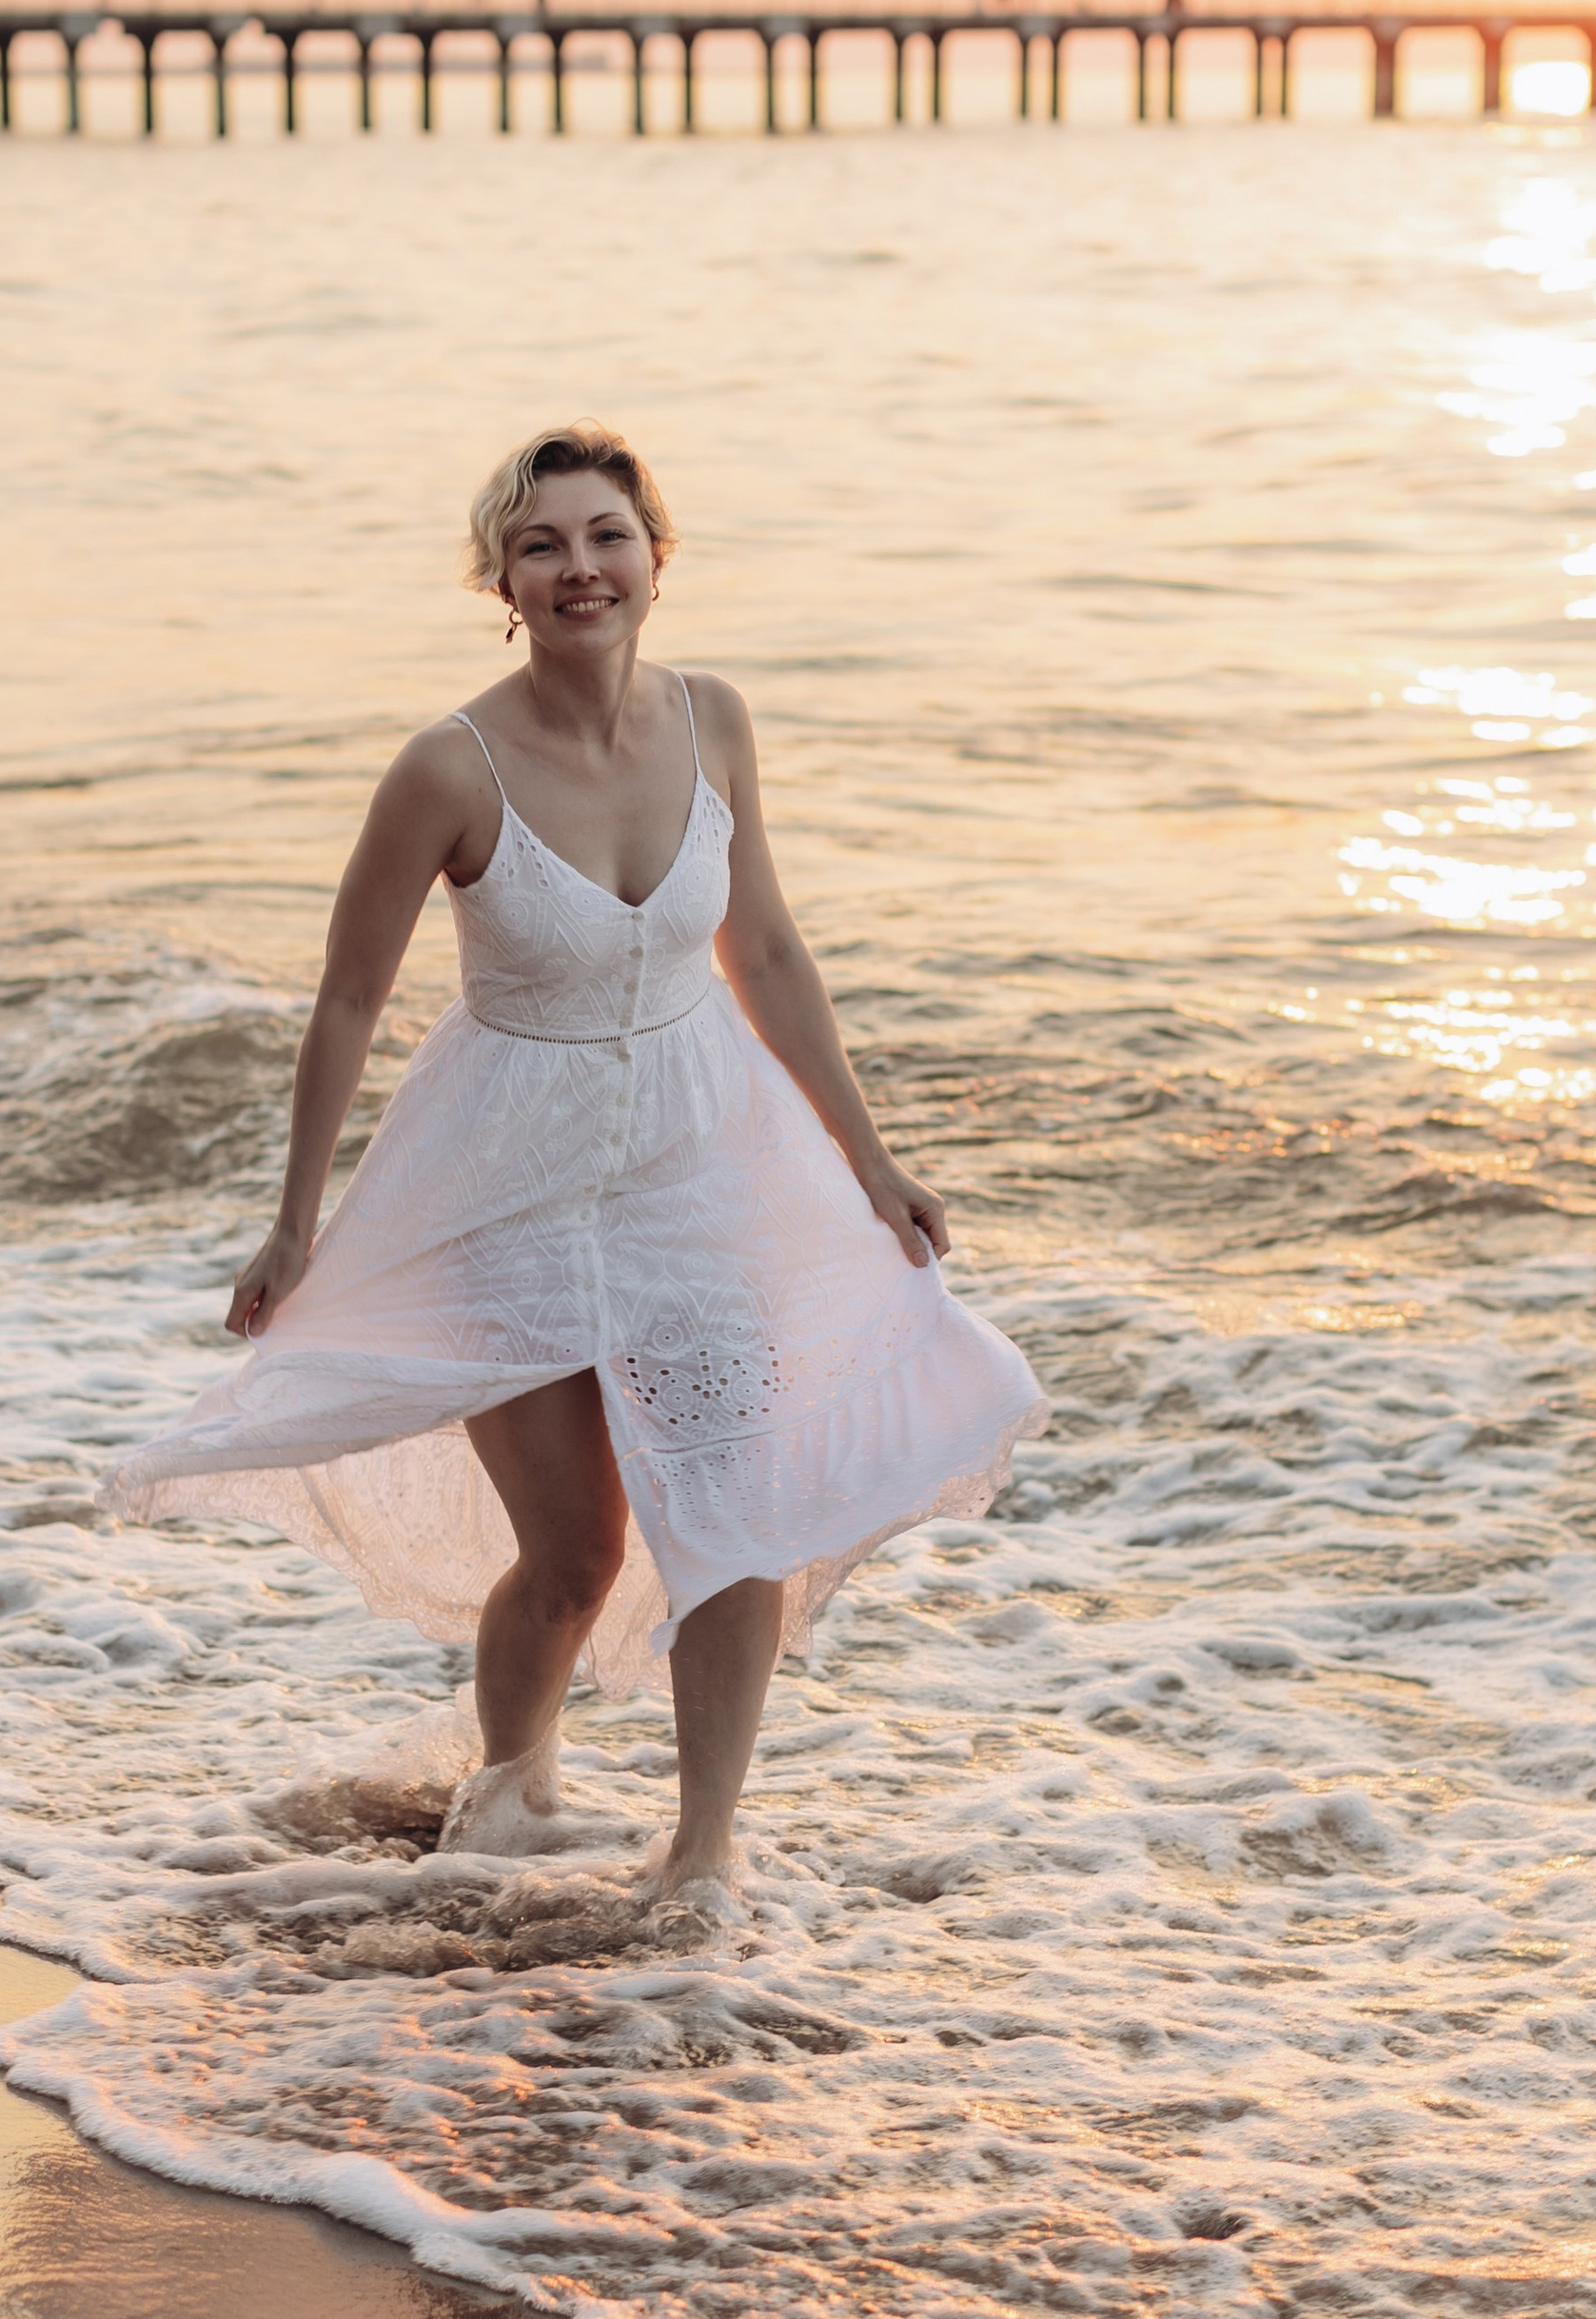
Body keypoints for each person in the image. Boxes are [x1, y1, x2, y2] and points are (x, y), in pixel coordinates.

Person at [105, 426, 1046, 1901]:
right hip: (507, 1176)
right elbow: (350, 996)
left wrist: (871, 1160)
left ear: (657, 561)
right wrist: (295, 1224)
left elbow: (770, 950)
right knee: (575, 1551)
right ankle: (512, 1788)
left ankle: (702, 1856)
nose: (578, 567)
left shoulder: (716, 720)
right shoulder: (446, 765)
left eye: (606, 536)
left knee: (736, 1512)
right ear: (503, 579)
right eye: (542, 544)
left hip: (703, 1163)